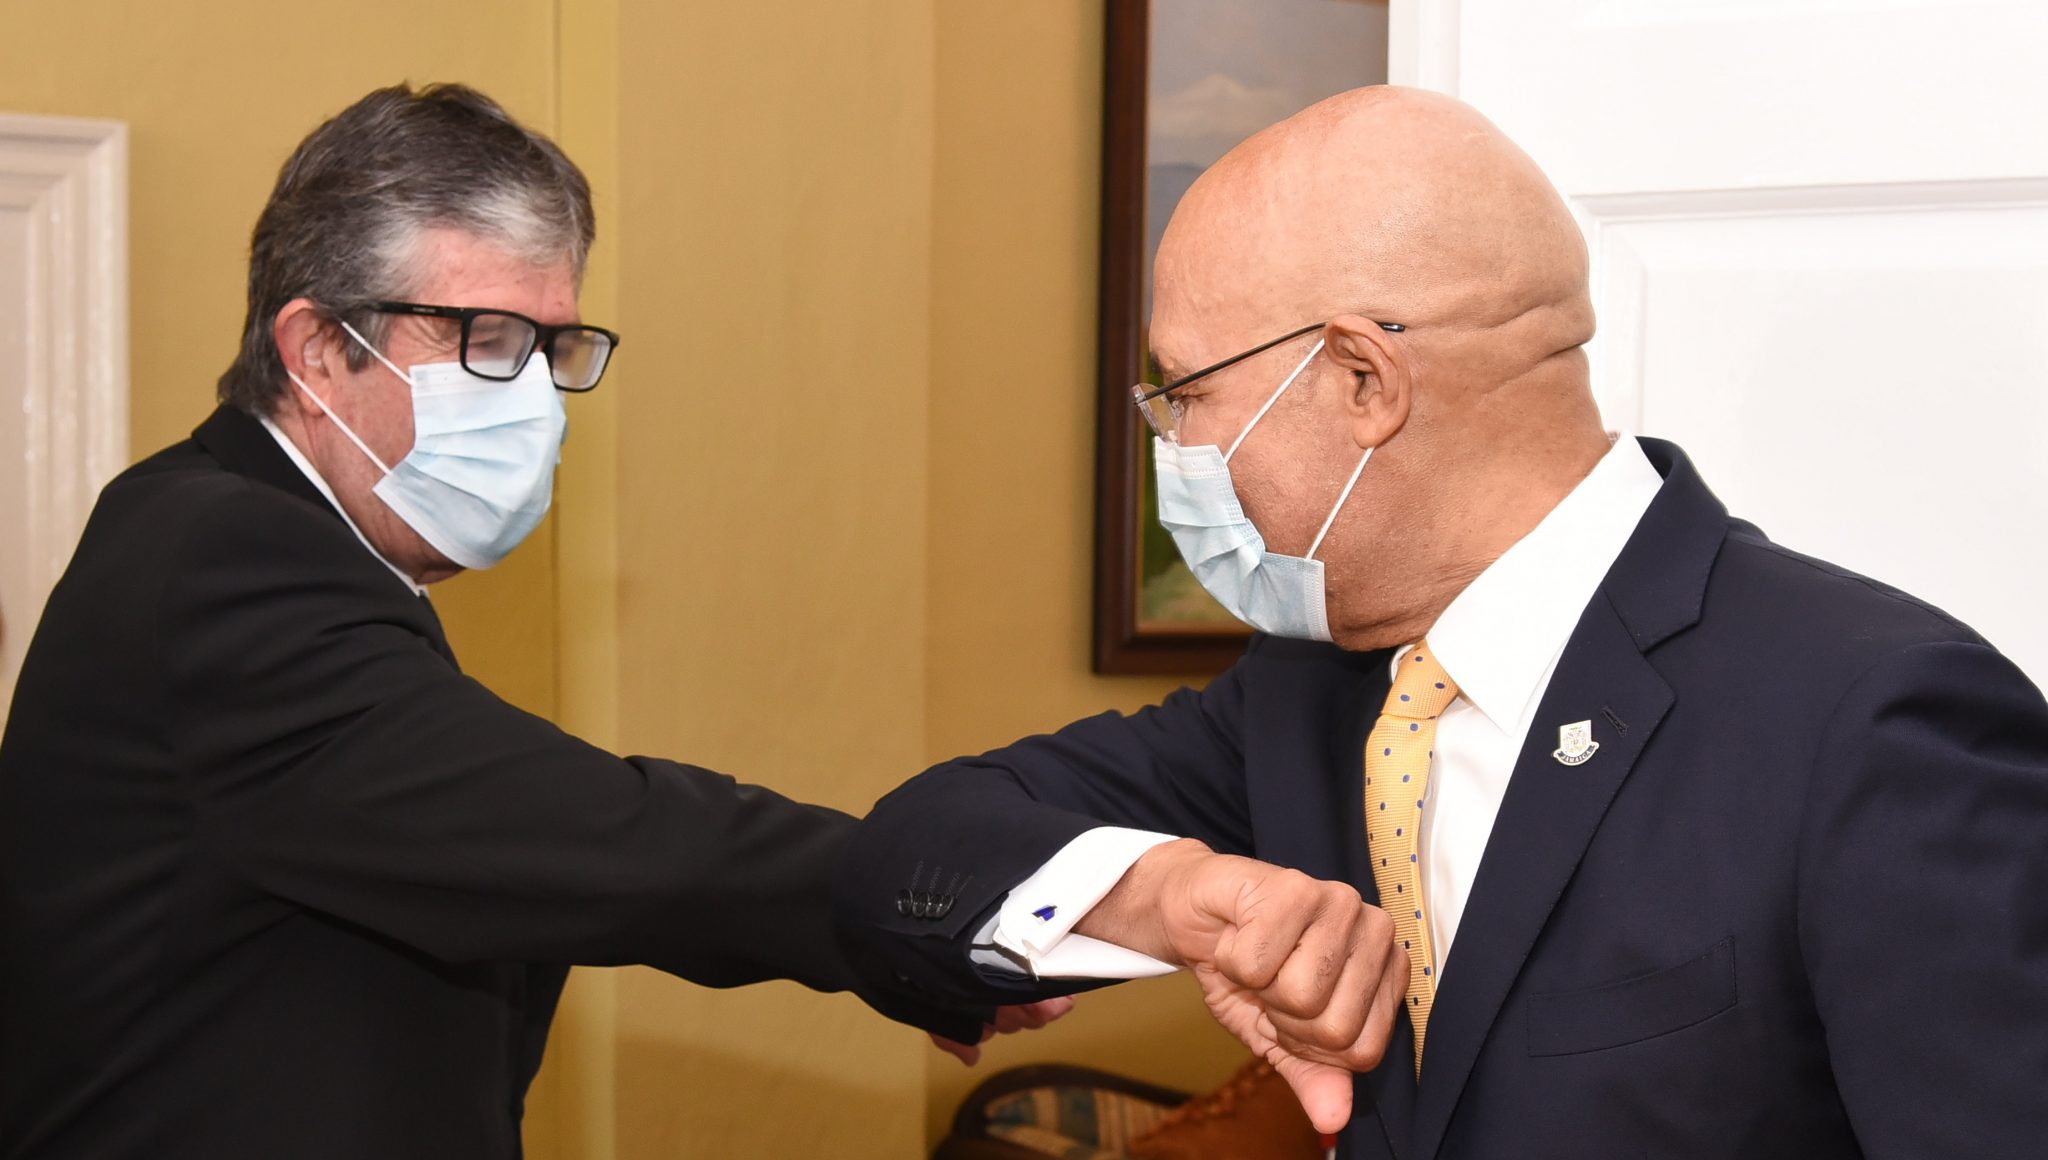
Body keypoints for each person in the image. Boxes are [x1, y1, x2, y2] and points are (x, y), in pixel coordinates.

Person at [0, 84, 1398, 1159]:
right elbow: (598, 838)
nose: (534, 392)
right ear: (317, 351)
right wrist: (928, 911)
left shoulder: (276, 547)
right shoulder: (221, 566)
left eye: (556, 347)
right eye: (485, 341)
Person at [835, 85, 2048, 1159]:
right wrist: (1176, 898)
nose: (1177, 450)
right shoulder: (1310, 690)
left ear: (1362, 380)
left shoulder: (1872, 718)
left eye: (1189, 394)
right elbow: (912, 852)